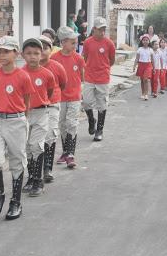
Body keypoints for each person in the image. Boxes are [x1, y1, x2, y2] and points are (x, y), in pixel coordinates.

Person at [0, 36, 35, 220]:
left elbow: (27, 101)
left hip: (16, 121)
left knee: (16, 161)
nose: (1, 55)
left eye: (6, 51)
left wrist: (22, 119)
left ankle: (16, 201)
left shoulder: (23, 76)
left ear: (16, 53)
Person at [21, 38, 56, 197]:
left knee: (37, 145)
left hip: (41, 113)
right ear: (22, 55)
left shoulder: (47, 74)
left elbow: (49, 93)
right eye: (29, 53)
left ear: (41, 54)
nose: (33, 57)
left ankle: (38, 181)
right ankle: (31, 177)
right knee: (27, 148)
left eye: (36, 53)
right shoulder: (20, 74)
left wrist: (41, 103)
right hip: (24, 114)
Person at [51, 26, 85, 169]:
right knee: (62, 125)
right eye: (72, 42)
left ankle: (71, 154)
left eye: (75, 41)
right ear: (63, 42)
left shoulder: (78, 58)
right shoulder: (54, 59)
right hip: (60, 98)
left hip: (74, 97)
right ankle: (65, 151)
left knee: (72, 123)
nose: (75, 44)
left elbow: (82, 77)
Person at [82, 17, 115, 142]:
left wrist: (103, 68)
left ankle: (99, 130)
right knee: (86, 102)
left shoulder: (109, 43)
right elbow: (85, 58)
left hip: (103, 78)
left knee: (102, 104)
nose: (102, 32)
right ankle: (91, 120)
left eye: (104, 29)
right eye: (100, 29)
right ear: (94, 29)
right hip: (90, 77)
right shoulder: (87, 42)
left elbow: (111, 60)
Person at [38, 34, 67, 183]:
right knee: (36, 140)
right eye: (39, 47)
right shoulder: (29, 67)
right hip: (35, 108)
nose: (42, 51)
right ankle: (36, 170)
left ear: (51, 49)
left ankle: (47, 168)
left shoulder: (57, 66)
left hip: (53, 105)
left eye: (45, 47)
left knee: (50, 135)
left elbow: (63, 84)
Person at [133, 35, 153, 101]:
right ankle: (143, 93)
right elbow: (137, 59)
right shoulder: (140, 49)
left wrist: (154, 68)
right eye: (144, 40)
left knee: (146, 79)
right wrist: (134, 66)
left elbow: (152, 60)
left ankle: (146, 94)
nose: (145, 41)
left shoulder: (150, 50)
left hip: (148, 65)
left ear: (149, 41)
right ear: (142, 41)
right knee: (142, 80)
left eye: (147, 40)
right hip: (141, 65)